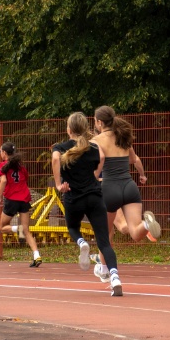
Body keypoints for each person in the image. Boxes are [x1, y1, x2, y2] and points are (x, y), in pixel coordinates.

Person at [52, 112, 123, 296]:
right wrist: (94, 176)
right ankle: (115, 278)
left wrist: (59, 184)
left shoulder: (61, 147)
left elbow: (54, 159)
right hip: (94, 198)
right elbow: (101, 158)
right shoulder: (92, 148)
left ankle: (82, 242)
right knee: (104, 242)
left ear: (69, 129)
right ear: (85, 128)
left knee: (73, 227)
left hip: (73, 197)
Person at [90, 105, 161, 282]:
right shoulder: (123, 137)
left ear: (99, 122)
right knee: (135, 233)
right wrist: (143, 175)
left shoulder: (97, 140)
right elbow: (134, 159)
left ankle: (106, 270)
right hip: (129, 186)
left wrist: (91, 181)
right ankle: (146, 224)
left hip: (109, 188)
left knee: (105, 236)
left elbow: (99, 162)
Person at [0, 141, 42, 267]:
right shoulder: (21, 167)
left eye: (1, 151)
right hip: (24, 198)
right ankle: (37, 255)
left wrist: (0, 197)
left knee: (1, 227)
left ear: (4, 153)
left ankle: (17, 229)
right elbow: (25, 179)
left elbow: (4, 180)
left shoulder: (2, 166)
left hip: (11, 199)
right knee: (27, 230)